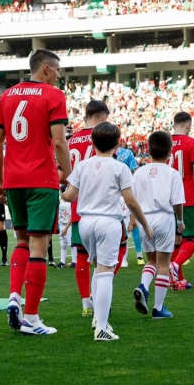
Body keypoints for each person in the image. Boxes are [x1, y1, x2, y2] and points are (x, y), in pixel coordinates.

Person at [0, 48, 72, 335]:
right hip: (41, 180)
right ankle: (33, 318)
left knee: (22, 242)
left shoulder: (7, 96)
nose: (59, 77)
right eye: (58, 71)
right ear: (47, 69)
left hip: (13, 180)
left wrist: (0, 182)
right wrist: (70, 175)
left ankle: (14, 295)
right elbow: (60, 143)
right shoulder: (54, 96)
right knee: (39, 248)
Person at [62, 122, 152, 341]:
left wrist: (64, 190)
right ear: (117, 144)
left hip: (84, 223)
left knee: (96, 269)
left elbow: (69, 196)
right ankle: (101, 327)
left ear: (92, 143)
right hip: (108, 223)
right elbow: (130, 201)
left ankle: (97, 319)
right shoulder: (120, 167)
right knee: (105, 272)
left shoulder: (83, 165)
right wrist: (144, 224)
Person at [131, 131, 185, 319]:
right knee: (164, 264)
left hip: (144, 218)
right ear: (170, 151)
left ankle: (143, 287)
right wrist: (180, 221)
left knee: (152, 261)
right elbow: (177, 201)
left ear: (148, 149)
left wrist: (134, 220)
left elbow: (133, 200)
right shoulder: (172, 173)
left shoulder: (139, 172)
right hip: (164, 217)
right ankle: (158, 308)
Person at [67, 100, 109, 317]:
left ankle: (86, 302)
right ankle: (99, 295)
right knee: (107, 255)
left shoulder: (71, 140)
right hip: (102, 205)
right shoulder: (104, 137)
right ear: (102, 117)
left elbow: (64, 175)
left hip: (78, 206)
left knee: (81, 255)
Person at [168, 112, 194, 290]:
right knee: (193, 238)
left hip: (166, 198)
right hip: (186, 197)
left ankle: (179, 279)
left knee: (177, 240)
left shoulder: (164, 141)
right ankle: (175, 266)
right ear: (187, 125)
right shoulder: (191, 142)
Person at [115, 144, 143, 266]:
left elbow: (134, 170)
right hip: (111, 192)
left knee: (133, 221)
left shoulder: (127, 153)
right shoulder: (102, 152)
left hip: (126, 189)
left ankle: (139, 255)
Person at [57, 190, 73, 268]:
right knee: (62, 244)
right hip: (61, 225)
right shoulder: (61, 203)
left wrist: (66, 227)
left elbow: (72, 217)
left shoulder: (70, 204)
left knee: (71, 244)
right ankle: (62, 262)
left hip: (68, 225)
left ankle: (74, 261)